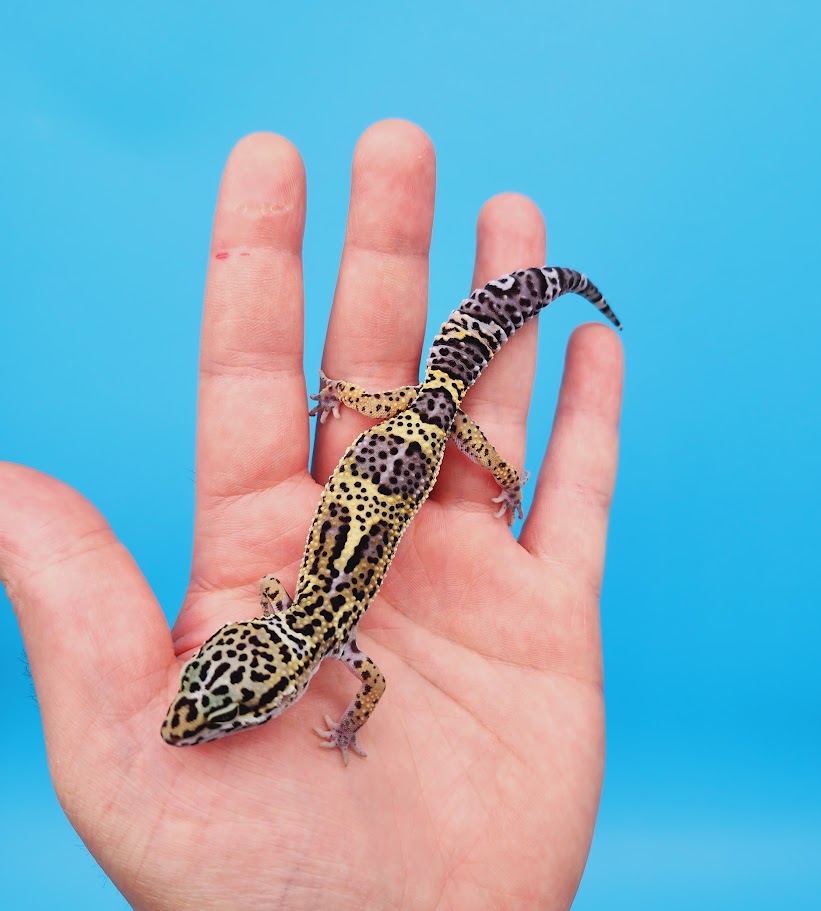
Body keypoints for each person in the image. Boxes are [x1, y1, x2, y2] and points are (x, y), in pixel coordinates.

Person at [0, 120, 624, 910]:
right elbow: (326, 647)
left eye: (219, 711)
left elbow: (368, 686)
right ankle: (545, 300)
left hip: (419, 426)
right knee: (445, 395)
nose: (204, 720)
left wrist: (496, 470)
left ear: (281, 686)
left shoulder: (328, 641)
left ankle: (552, 288)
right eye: (218, 708)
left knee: (459, 401)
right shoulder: (310, 623)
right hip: (404, 422)